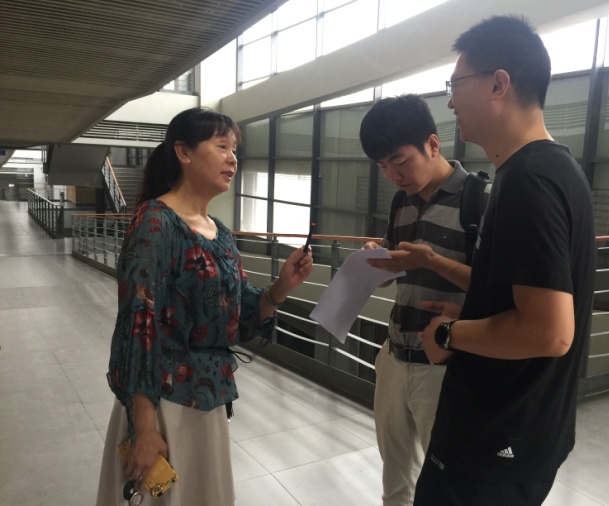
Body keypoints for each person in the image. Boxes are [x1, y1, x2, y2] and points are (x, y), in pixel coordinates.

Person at [414, 16, 596, 506]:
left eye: (456, 85)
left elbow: (549, 332)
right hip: (526, 431)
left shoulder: (527, 180)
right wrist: (476, 312)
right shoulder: (559, 169)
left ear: (498, 83)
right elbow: (533, 300)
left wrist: (449, 334)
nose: (450, 102)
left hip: (492, 440)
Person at [95, 108, 313, 506]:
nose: (233, 158)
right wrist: (144, 428)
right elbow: (138, 324)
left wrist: (282, 287)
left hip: (209, 399)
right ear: (184, 152)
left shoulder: (220, 233)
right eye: (221, 146)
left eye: (235, 149)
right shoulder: (156, 222)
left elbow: (241, 315)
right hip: (163, 403)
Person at [359, 94, 484, 506]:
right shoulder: (401, 201)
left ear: (432, 143)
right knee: (395, 480)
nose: (393, 175)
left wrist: (433, 261)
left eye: (400, 161)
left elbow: (496, 288)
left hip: (445, 366)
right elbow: (397, 276)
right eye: (382, 166)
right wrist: (376, 264)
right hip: (395, 356)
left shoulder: (479, 199)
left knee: (447, 483)